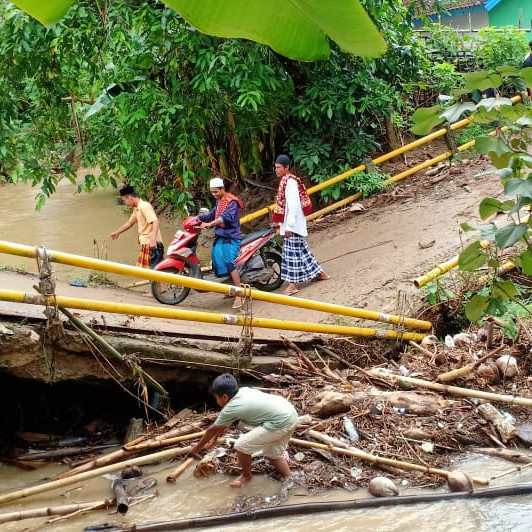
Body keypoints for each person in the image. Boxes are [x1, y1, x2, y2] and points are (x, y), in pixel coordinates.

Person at [189, 373, 298, 488]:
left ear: (224, 397)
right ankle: (289, 480)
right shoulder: (243, 391)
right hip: (291, 414)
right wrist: (215, 439)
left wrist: (195, 450)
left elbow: (211, 430)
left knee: (241, 446)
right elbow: (224, 424)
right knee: (273, 454)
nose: (216, 401)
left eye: (216, 398)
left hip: (279, 423)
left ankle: (247, 476)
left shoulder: (231, 408)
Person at [272, 154, 330, 296]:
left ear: (287, 168)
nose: (276, 170)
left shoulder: (290, 182)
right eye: (275, 167)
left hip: (293, 225)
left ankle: (292, 285)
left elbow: (293, 206)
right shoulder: (285, 181)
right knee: (302, 252)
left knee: (292, 254)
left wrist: (289, 226)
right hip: (291, 224)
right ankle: (320, 274)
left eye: (279, 167)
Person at [198, 178, 244, 310]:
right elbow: (213, 214)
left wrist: (210, 224)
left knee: (229, 262)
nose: (214, 194)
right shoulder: (219, 201)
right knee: (217, 262)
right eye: (212, 192)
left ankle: (239, 294)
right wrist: (197, 218)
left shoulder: (232, 202)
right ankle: (231, 289)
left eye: (216, 192)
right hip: (221, 236)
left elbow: (226, 217)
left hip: (231, 237)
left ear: (223, 189)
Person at [108, 185, 164, 269]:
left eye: (124, 200)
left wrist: (153, 240)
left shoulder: (144, 206)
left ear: (129, 197)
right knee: (149, 272)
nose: (125, 204)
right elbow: (130, 222)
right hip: (146, 244)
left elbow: (155, 221)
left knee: (154, 272)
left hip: (152, 244)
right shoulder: (137, 208)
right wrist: (117, 232)